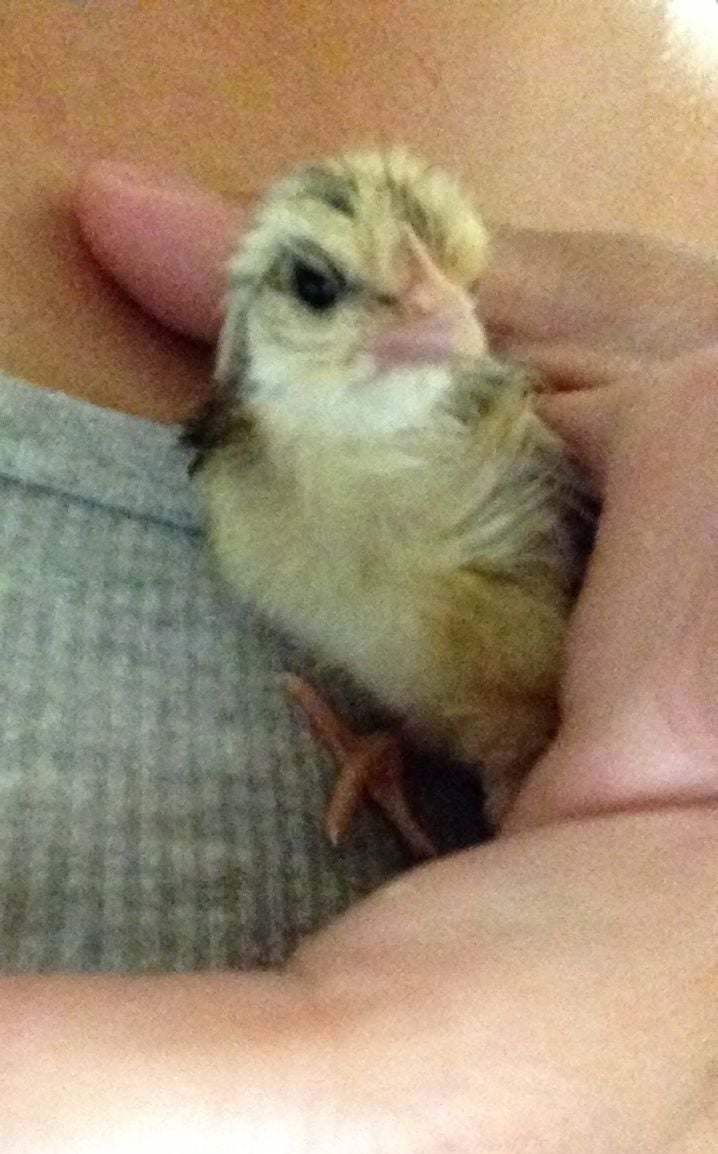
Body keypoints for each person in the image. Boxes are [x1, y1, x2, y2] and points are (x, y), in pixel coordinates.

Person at [0, 4, 716, 1150]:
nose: (441, 319)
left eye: (454, 286)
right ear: (250, 320)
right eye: (329, 291)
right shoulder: (243, 476)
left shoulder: (492, 450)